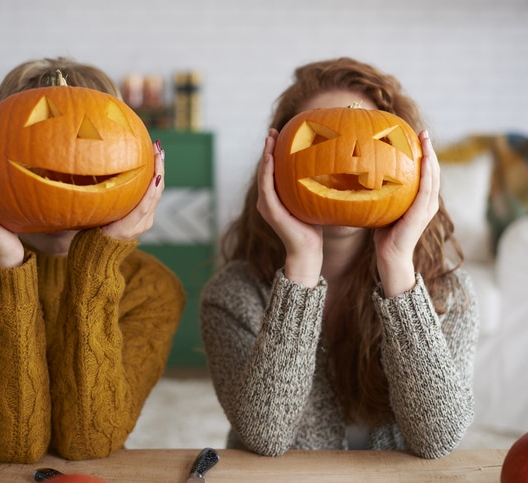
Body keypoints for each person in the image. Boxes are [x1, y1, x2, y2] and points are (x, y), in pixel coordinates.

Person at [0, 57, 186, 463]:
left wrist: (97, 265)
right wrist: (6, 268)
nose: (71, 166)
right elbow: (12, 444)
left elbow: (88, 442)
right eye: (39, 125)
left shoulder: (152, 289)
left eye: (100, 131)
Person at [199, 57, 479, 459]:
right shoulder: (233, 296)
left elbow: (439, 439)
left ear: (418, 169)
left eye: (378, 143)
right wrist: (302, 261)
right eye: (318, 141)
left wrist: (398, 262)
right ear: (274, 165)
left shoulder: (449, 294)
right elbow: (265, 437)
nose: (349, 160)